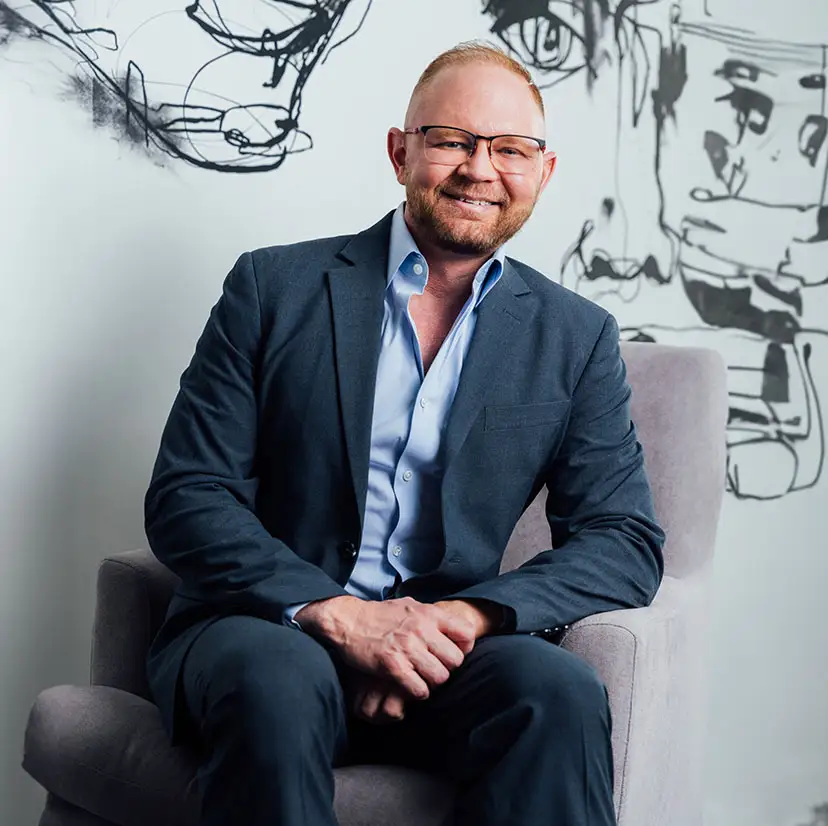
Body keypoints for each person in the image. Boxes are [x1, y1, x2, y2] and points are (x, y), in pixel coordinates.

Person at [144, 40, 665, 826]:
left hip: (445, 654)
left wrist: (464, 618)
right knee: (277, 683)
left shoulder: (576, 336)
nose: (479, 169)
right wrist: (341, 616)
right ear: (401, 152)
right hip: (269, 630)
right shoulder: (271, 288)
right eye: (452, 140)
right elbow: (189, 496)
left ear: (543, 172)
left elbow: (623, 538)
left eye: (510, 149)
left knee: (556, 692)